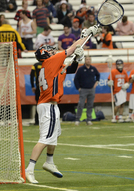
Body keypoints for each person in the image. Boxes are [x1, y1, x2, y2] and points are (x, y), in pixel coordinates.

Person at [25, 24, 99, 184]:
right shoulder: (51, 61)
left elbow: (70, 69)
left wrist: (78, 59)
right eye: (49, 50)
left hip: (50, 105)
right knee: (45, 138)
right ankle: (29, 169)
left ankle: (49, 162)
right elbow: (72, 48)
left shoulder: (50, 67)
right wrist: (86, 35)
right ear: (46, 54)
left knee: (54, 135)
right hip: (48, 106)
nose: (52, 50)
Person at [74, 56, 100, 126]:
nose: (88, 61)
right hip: (83, 89)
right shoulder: (81, 69)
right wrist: (78, 88)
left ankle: (89, 120)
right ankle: (77, 119)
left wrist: (96, 82)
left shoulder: (93, 69)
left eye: (89, 59)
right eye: (87, 59)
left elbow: (98, 75)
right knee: (81, 105)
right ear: (85, 60)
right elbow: (76, 79)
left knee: (90, 105)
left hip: (91, 89)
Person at [30, 61, 42, 125]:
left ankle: (37, 121)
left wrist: (32, 86)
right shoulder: (48, 63)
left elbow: (31, 76)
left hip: (38, 87)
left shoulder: (35, 65)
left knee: (38, 104)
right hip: (46, 88)